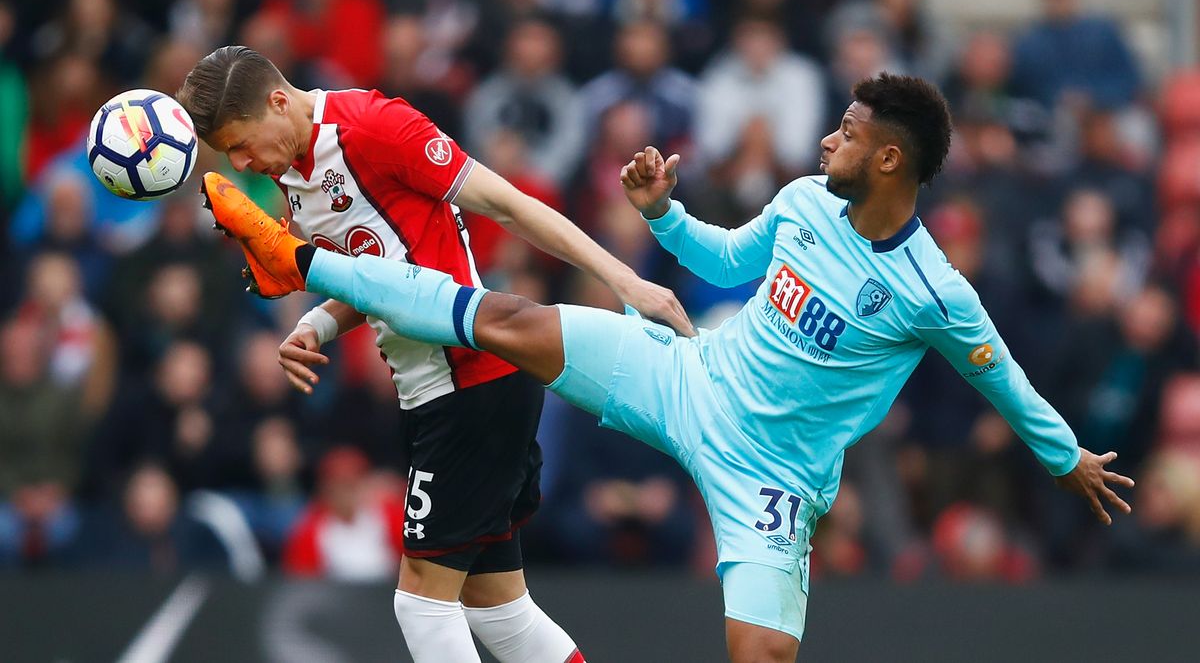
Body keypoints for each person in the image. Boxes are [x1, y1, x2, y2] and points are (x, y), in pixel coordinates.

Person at [201, 73, 1134, 663]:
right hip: (693, 378)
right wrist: (660, 216)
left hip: (772, 476)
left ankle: (304, 263)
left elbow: (1003, 379)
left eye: (844, 134)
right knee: (514, 322)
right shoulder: (806, 199)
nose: (824, 143)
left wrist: (1068, 459)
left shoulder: (936, 290)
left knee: (761, 654)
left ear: (889, 158)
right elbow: (728, 261)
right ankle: (307, 262)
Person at [178, 46, 695, 663]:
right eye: (227, 155)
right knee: (499, 610)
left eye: (240, 144)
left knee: (419, 604)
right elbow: (377, 272)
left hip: (472, 379)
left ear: (279, 101)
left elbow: (509, 203)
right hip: (434, 390)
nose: (239, 163)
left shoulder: (376, 127)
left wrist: (624, 280)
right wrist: (317, 322)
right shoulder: (288, 169)